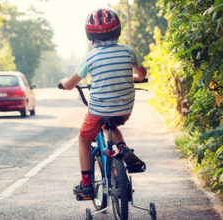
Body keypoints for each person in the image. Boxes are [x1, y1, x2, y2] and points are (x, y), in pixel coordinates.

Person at [58, 7, 147, 200]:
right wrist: (134, 78)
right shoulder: (128, 51)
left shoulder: (90, 58)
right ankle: (123, 148)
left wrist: (64, 84)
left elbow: (72, 83)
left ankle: (87, 185)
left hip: (98, 111)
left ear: (90, 35)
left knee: (83, 139)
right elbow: (142, 74)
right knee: (112, 124)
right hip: (124, 109)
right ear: (118, 30)